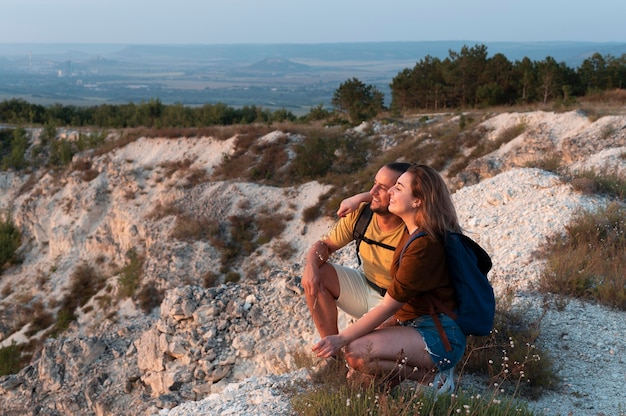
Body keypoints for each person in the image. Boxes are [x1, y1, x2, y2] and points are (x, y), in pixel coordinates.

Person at [312, 164, 466, 389]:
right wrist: (360, 197)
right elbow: (385, 195)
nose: (390, 192)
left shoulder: (423, 246)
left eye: (398, 188)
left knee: (355, 352)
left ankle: (434, 378)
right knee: (362, 377)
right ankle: (412, 370)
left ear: (417, 201)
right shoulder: (414, 228)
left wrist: (340, 339)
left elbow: (388, 307)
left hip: (438, 334)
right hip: (411, 321)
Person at [302, 162, 411, 342]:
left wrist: (362, 196)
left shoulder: (413, 226)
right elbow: (325, 245)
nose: (373, 191)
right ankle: (331, 353)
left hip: (397, 304)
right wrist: (311, 264)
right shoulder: (362, 214)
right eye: (374, 183)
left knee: (363, 346)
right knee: (318, 273)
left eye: (382, 188)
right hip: (366, 286)